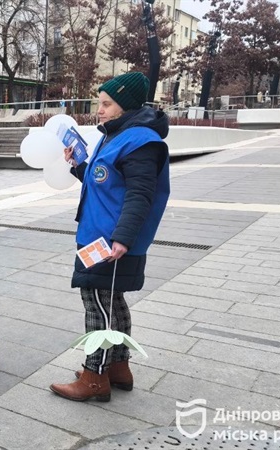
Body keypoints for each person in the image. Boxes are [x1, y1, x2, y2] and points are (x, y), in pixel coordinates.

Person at [49, 72, 170, 402]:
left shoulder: (140, 141)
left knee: (97, 306)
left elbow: (140, 194)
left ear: (125, 106)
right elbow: (103, 181)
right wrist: (79, 165)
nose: (99, 110)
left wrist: (123, 238)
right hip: (98, 236)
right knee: (111, 303)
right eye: (98, 103)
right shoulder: (116, 135)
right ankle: (117, 367)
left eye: (106, 104)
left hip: (110, 241)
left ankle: (94, 376)